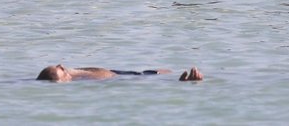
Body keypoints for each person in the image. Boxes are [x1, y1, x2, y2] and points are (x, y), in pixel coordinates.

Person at [37, 64, 203, 81]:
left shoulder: (71, 73)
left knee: (166, 70)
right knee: (165, 73)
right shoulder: (75, 80)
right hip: (123, 78)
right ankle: (183, 82)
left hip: (120, 73)